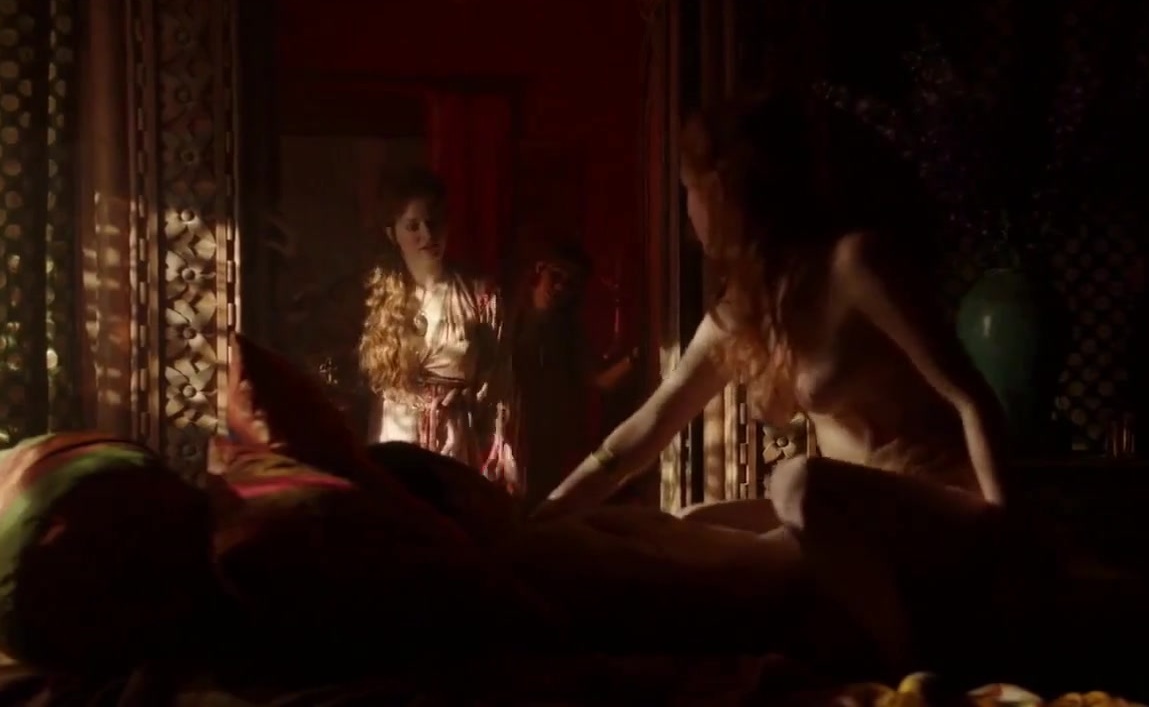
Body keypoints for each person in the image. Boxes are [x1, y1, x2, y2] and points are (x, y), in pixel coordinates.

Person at [535, 91, 1019, 677]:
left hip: (932, 506)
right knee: (672, 523)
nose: (688, 210)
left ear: (726, 191)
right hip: (841, 520)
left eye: (690, 188)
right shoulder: (741, 313)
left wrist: (1004, 535)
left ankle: (904, 665)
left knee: (796, 482)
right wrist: (545, 517)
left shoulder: (856, 266)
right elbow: (647, 429)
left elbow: (970, 397)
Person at [359, 167, 517, 489]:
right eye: (413, 226)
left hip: (454, 448)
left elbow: (500, 388)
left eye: (434, 223)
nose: (427, 235)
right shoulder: (377, 298)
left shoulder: (480, 297)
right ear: (393, 233)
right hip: (396, 444)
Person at [504, 240, 638, 509]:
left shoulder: (568, 332)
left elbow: (598, 380)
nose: (561, 288)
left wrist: (635, 359)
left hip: (549, 436)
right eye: (556, 276)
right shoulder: (504, 314)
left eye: (570, 284)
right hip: (507, 430)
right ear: (539, 269)